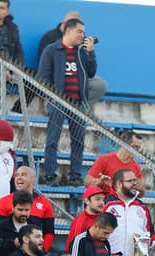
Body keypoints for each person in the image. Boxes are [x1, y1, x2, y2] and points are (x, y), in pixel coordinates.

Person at [38, 17, 107, 184]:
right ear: (68, 31)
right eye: (80, 31)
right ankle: (49, 174)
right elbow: (43, 76)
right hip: (58, 102)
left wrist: (90, 52)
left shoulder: (82, 52)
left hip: (77, 103)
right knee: (52, 139)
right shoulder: (51, 50)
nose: (83, 35)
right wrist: (53, 96)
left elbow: (90, 73)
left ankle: (75, 175)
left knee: (78, 141)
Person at [0, 166, 56, 252]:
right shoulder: (4, 201)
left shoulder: (45, 203)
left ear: (33, 179)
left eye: (23, 175)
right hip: (9, 252)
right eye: (16, 175)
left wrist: (42, 251)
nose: (19, 178)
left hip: (34, 252)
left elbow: (49, 232)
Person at [85, 130, 144, 194]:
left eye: (138, 148)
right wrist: (101, 181)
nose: (137, 151)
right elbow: (87, 182)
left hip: (124, 202)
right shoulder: (104, 160)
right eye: (134, 147)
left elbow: (141, 194)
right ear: (124, 144)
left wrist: (140, 189)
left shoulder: (136, 167)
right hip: (106, 201)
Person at [66, 185, 106, 252]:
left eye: (103, 199)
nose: (101, 202)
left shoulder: (103, 218)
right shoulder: (81, 221)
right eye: (97, 199)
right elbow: (76, 247)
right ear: (87, 201)